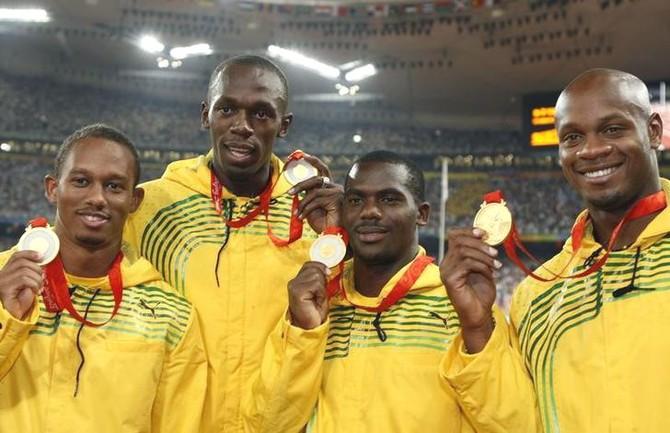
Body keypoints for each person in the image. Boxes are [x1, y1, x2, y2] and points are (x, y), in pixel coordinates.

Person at [440, 68, 669, 433]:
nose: (592, 150)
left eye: (613, 129)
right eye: (573, 137)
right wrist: (478, 327)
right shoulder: (538, 295)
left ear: (653, 132)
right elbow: (523, 425)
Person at [124, 55, 340, 432]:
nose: (242, 126)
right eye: (227, 109)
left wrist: (343, 234)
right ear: (206, 114)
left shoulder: (313, 214)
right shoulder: (149, 207)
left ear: (283, 125)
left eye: (261, 114)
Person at [277, 150, 522, 432]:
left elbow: (516, 425)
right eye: (356, 200)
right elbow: (272, 422)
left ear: (421, 214)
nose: (369, 211)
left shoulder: (460, 305)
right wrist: (304, 333)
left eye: (389, 199)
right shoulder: (316, 303)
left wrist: (477, 327)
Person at [0, 124, 207, 433]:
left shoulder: (171, 315)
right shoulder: (4, 280)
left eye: (114, 186)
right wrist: (7, 319)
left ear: (135, 200)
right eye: (82, 181)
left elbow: (178, 424)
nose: (97, 198)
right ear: (53, 189)